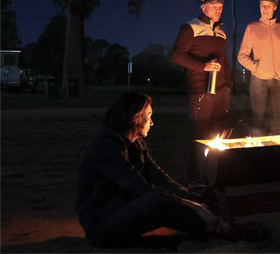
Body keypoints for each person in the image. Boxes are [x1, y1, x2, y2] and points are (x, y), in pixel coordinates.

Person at [76, 91, 268, 248]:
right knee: (159, 200)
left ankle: (223, 226)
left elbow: (161, 178)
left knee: (198, 194)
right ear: (135, 117)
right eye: (149, 116)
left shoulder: (136, 143)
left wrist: (195, 199)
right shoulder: (106, 144)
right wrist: (193, 206)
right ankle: (226, 231)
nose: (152, 122)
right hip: (102, 225)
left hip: (125, 211)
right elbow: (140, 187)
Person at [170, 0, 232, 185]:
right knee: (199, 135)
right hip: (200, 89)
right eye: (215, 7)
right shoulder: (191, 27)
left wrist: (228, 84)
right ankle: (195, 178)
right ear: (204, 7)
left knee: (217, 133)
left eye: (221, 7)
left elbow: (225, 60)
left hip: (221, 90)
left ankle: (214, 174)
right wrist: (202, 66)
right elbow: (176, 55)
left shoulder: (222, 32)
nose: (219, 10)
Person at [237, 0, 280, 136]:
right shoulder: (252, 28)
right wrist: (256, 68)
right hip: (259, 80)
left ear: (275, 7)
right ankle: (258, 149)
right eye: (262, 6)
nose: (265, 9)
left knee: (279, 118)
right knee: (258, 119)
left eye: (268, 6)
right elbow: (242, 56)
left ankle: (276, 150)